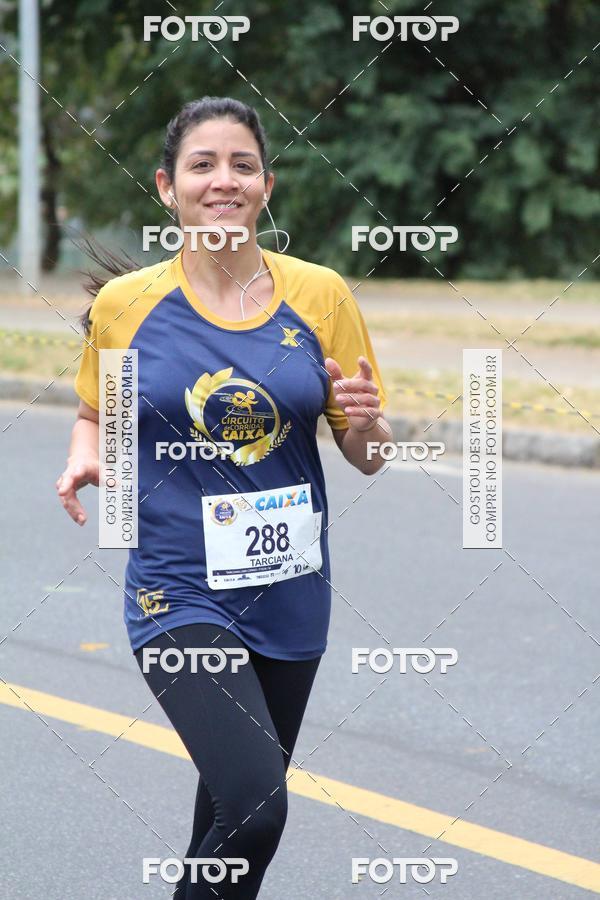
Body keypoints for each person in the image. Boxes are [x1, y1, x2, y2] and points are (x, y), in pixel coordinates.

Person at [57, 96, 391, 898]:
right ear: (168, 187)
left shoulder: (321, 296)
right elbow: (94, 410)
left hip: (290, 591)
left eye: (242, 165)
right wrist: (83, 459)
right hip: (178, 588)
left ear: (266, 187)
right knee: (258, 804)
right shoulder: (127, 304)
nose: (224, 180)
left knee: (227, 821)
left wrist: (372, 425)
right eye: (203, 165)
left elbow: (368, 456)